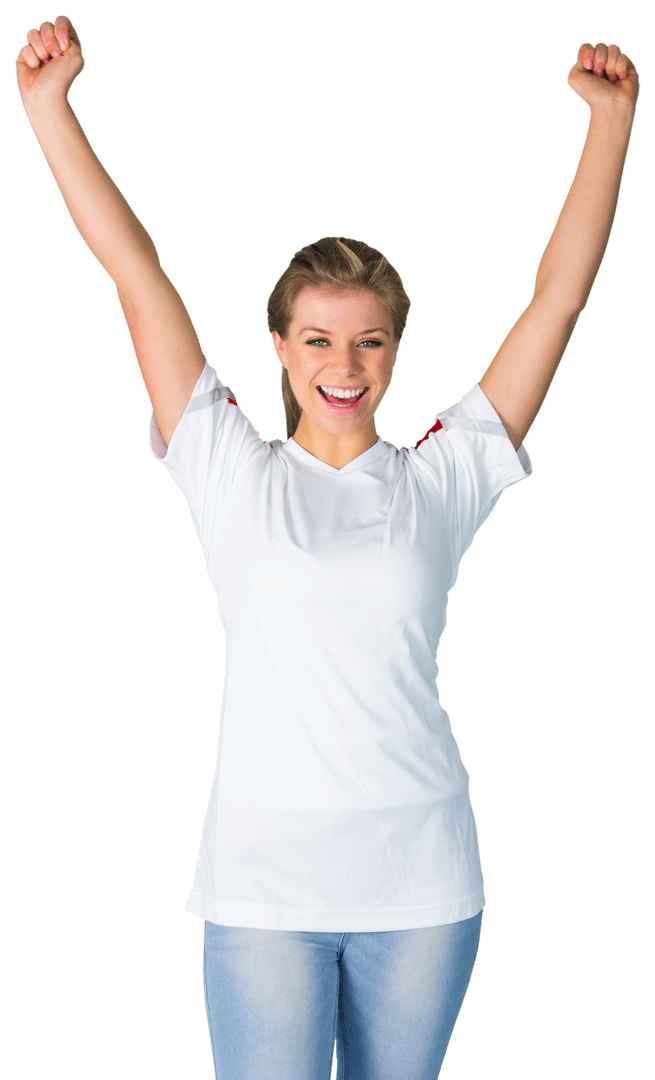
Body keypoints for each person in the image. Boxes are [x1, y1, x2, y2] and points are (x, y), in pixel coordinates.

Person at [16, 17, 639, 1080]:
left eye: (367, 341)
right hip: (263, 888)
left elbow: (560, 298)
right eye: (316, 338)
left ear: (395, 351)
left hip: (422, 885)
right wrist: (47, 112)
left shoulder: (443, 475)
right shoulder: (225, 463)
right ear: (279, 346)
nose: (341, 365)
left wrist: (613, 127)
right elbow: (134, 272)